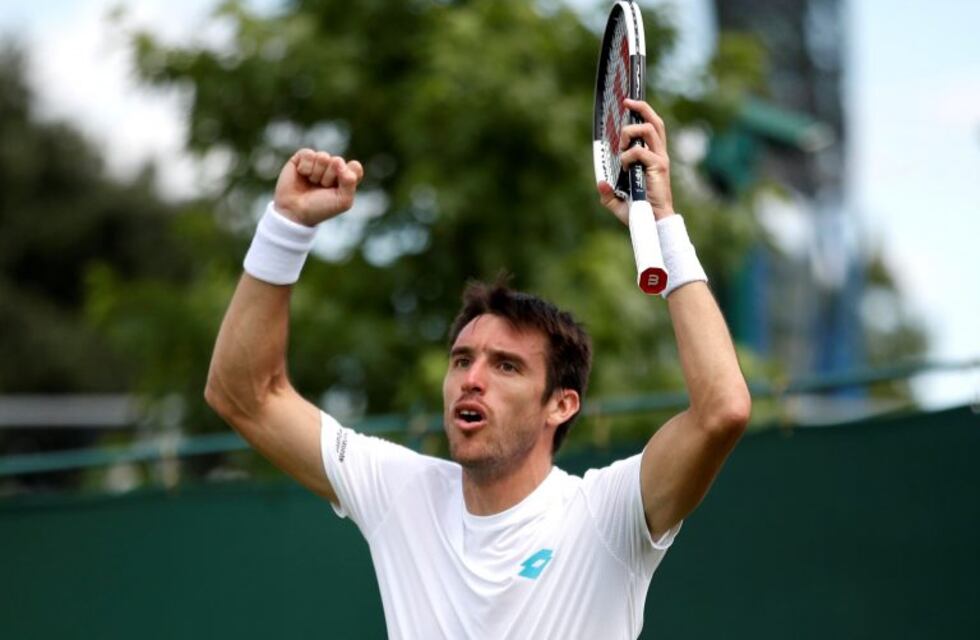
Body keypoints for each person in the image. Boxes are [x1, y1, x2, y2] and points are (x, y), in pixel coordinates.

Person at [205, 98, 750, 639]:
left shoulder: (608, 515)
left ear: (560, 404)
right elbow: (244, 396)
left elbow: (722, 411)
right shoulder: (402, 492)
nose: (472, 379)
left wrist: (662, 222)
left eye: (506, 366)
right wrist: (286, 226)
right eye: (463, 359)